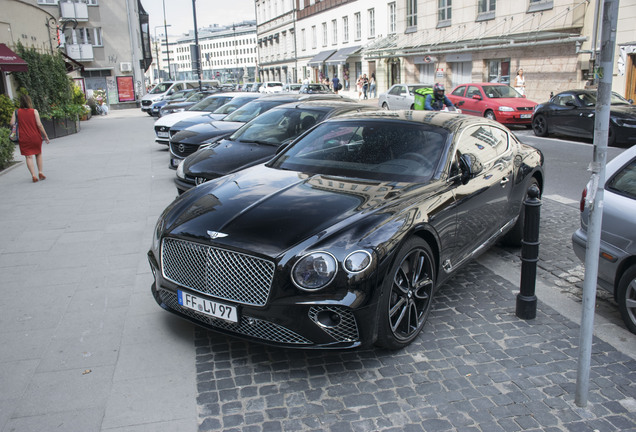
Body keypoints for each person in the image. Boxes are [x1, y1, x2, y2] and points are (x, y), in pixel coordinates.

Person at [9, 94, 50, 183]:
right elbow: (39, 124)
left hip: (24, 137)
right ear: (29, 101)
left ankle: (33, 175)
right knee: (38, 154)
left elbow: (12, 123)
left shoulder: (16, 112)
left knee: (28, 157)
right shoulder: (34, 111)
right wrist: (45, 136)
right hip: (35, 136)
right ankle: (40, 172)